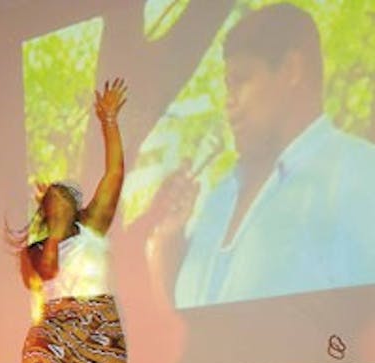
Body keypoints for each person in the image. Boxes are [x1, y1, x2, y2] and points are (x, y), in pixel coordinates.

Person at [149, 3, 375, 308]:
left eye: (240, 80)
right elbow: (183, 329)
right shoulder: (219, 198)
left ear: (291, 70)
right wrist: (169, 238)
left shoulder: (358, 172)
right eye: (227, 86)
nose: (228, 103)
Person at [11, 78, 128, 363]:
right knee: (37, 355)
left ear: (76, 206)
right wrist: (54, 232)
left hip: (97, 324)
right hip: (60, 323)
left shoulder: (92, 225)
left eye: (63, 198)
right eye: (50, 201)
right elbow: (48, 270)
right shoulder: (36, 250)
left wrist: (109, 120)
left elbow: (113, 174)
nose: (56, 201)